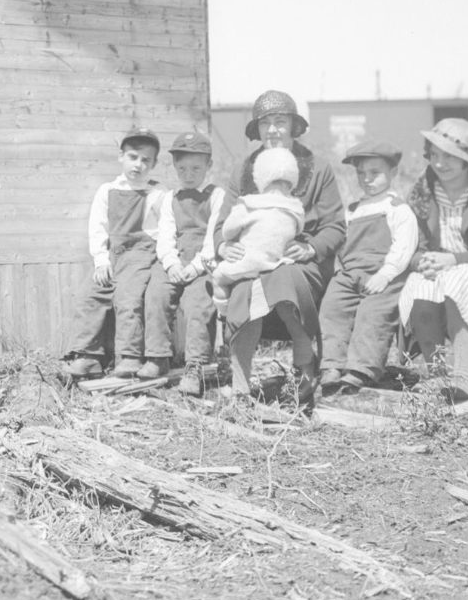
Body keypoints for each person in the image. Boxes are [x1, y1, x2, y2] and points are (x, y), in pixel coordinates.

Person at [218, 91, 346, 408]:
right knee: (243, 289)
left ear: (293, 126)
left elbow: (335, 226)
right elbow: (223, 222)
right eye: (265, 124)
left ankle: (304, 367)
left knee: (285, 276)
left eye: (280, 122)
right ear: (257, 130)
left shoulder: (318, 169)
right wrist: (225, 246)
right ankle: (240, 388)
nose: (273, 130)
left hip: (300, 263)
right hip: (255, 261)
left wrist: (312, 248)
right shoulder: (244, 170)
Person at [396, 118, 468, 404]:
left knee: (457, 279)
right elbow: (412, 245)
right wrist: (422, 262)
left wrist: (453, 259)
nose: (440, 164)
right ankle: (436, 373)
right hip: (438, 268)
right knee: (420, 285)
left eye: (450, 157)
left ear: (467, 162)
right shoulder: (424, 191)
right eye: (434, 155)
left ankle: (463, 374)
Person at [61, 130, 166, 382]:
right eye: (133, 157)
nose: (138, 165)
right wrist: (101, 260)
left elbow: (165, 229)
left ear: (154, 164)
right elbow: (97, 228)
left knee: (127, 298)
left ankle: (129, 356)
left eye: (145, 160)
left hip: (141, 255)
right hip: (113, 254)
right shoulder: (107, 190)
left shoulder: (157, 193)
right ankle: (89, 356)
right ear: (121, 156)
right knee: (90, 295)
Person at [318, 141, 418, 396]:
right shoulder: (353, 209)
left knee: (373, 312)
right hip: (352, 271)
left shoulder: (397, 208)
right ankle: (332, 364)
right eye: (361, 173)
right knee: (333, 307)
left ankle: (363, 368)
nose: (367, 179)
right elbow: (343, 243)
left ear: (393, 173)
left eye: (375, 173)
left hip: (385, 272)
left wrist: (385, 274)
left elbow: (404, 246)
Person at [143, 132, 231, 397]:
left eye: (196, 168)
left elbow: (213, 236)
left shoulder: (216, 195)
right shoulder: (171, 198)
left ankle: (195, 366)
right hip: (176, 259)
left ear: (209, 167)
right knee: (156, 292)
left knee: (198, 304)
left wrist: (195, 268)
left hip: (204, 262)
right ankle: (158, 356)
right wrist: (170, 264)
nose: (189, 174)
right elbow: (165, 235)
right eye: (182, 168)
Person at [211, 148, 305, 299]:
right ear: (290, 184)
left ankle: (223, 314)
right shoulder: (296, 208)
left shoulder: (248, 203)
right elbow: (299, 230)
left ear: (260, 180)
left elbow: (227, 231)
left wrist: (231, 239)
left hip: (248, 262)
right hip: (278, 263)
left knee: (217, 278)